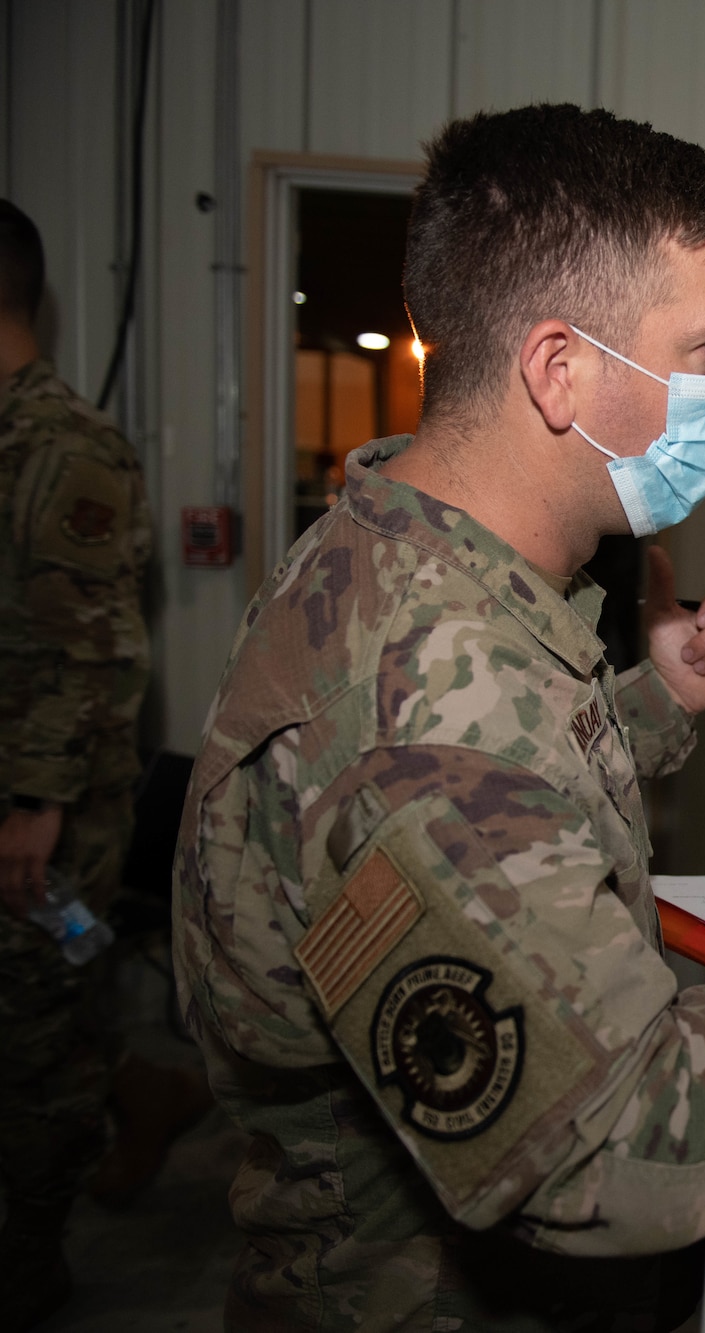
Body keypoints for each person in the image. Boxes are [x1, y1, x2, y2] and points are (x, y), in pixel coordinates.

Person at [174, 104, 705, 1332]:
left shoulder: (399, 554)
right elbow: (609, 1152)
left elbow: (492, 811)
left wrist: (652, 704)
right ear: (558, 371)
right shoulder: (432, 701)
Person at [0, 199, 169, 1330]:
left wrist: (36, 802)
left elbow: (93, 644)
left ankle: (27, 1265)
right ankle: (144, 1090)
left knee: (35, 1037)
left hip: (42, 809)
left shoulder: (63, 446)